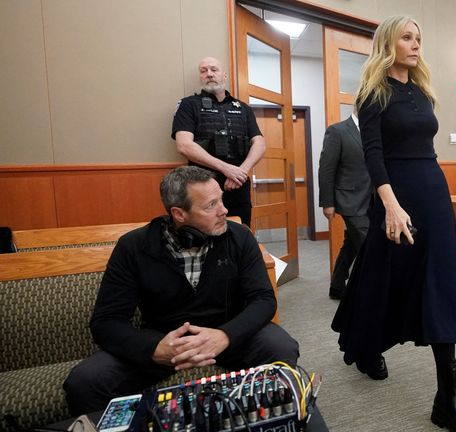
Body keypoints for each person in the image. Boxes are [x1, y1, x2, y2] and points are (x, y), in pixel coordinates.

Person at [330, 16, 456, 432]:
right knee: (383, 277)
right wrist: (391, 206)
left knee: (440, 283)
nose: (416, 45)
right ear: (388, 44)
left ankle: (446, 400)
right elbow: (373, 154)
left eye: (420, 38)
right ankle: (364, 344)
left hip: (432, 190)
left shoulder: (421, 92)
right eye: (408, 38)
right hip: (394, 197)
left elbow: (424, 147)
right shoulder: (374, 93)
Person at [63, 166, 299, 415]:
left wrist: (224, 336)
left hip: (228, 337)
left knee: (281, 347)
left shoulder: (239, 237)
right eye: (211, 205)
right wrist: (155, 348)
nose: (224, 210)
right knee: (85, 381)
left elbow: (263, 300)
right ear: (179, 213)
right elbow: (106, 322)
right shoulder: (133, 247)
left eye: (221, 199)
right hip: (165, 344)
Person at [172, 57, 266, 228]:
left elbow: (259, 142)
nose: (209, 74)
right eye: (203, 70)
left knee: (241, 234)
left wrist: (240, 172)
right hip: (202, 185)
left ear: (224, 75)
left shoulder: (243, 108)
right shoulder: (188, 105)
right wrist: (226, 169)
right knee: (205, 234)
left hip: (238, 185)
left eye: (214, 70)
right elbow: (184, 145)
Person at [318, 111, 372, 300]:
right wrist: (327, 202)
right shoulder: (338, 131)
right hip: (349, 199)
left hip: (373, 198)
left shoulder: (374, 129)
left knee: (351, 244)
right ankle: (371, 294)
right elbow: (326, 168)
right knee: (368, 246)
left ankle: (337, 286)